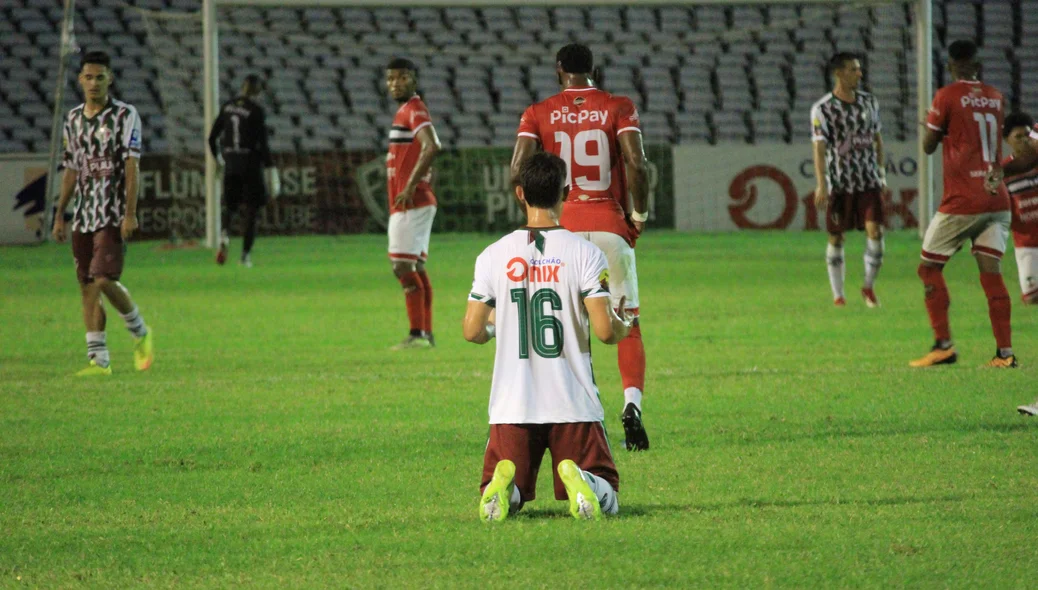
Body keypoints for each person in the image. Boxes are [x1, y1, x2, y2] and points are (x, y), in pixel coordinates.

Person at [465, 152, 632, 521]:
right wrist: (625, 324)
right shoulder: (586, 254)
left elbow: (471, 330)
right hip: (572, 402)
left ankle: (504, 490)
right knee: (608, 488)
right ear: (566, 192)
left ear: (520, 193)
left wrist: (502, 322)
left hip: (513, 404)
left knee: (507, 487)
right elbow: (605, 332)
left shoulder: (493, 255)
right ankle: (585, 480)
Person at [509, 43, 651, 451]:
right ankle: (631, 406)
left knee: (570, 326)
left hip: (560, 228)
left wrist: (534, 211)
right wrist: (638, 216)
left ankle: (579, 413)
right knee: (627, 323)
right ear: (595, 69)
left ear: (558, 71)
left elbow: (518, 168)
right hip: (609, 224)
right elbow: (637, 164)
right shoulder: (618, 106)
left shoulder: (537, 111)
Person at [911, 40, 1015, 368]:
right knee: (992, 275)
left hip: (964, 199)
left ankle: (943, 345)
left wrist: (931, 128)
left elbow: (928, 146)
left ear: (951, 65)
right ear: (977, 63)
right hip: (998, 197)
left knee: (928, 268)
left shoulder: (946, 95)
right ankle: (1005, 354)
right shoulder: (997, 97)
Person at [51, 50, 154, 376]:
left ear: (110, 79)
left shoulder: (125, 116)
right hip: (83, 215)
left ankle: (140, 331)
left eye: (100, 77)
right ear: (80, 80)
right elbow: (71, 168)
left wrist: (130, 213)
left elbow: (132, 164)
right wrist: (59, 214)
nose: (94, 83)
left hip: (111, 213)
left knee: (103, 279)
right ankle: (99, 360)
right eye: (88, 77)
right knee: (86, 285)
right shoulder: (73, 119)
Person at [811, 52, 888, 308]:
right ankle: (838, 295)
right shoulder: (823, 109)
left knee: (875, 231)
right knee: (836, 238)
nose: (860, 73)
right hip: (840, 185)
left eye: (859, 69)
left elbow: (877, 139)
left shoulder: (869, 102)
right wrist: (822, 183)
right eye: (854, 69)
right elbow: (819, 148)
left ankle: (868, 286)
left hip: (868, 181)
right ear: (839, 73)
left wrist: (882, 173)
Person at [385, 58, 442, 350]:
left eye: (402, 77)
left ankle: (418, 334)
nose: (396, 83)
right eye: (391, 79)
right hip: (414, 201)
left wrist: (408, 186)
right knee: (415, 267)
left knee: (402, 266)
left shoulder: (414, 109)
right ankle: (424, 334)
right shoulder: (405, 111)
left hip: (412, 200)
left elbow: (433, 145)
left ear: (415, 79)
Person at [208, 74, 279, 268]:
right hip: (250, 164)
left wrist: (219, 159)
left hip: (231, 162)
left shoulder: (227, 107)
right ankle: (245, 256)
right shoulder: (256, 111)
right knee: (251, 211)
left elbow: (212, 137)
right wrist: (271, 168)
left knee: (229, 207)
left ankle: (223, 236)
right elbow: (263, 144)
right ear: (257, 91)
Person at [1001, 112, 1038, 305]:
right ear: (1007, 140)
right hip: (1027, 245)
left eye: (1027, 135)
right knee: (1032, 299)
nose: (1024, 141)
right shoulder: (1004, 171)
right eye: (1018, 137)